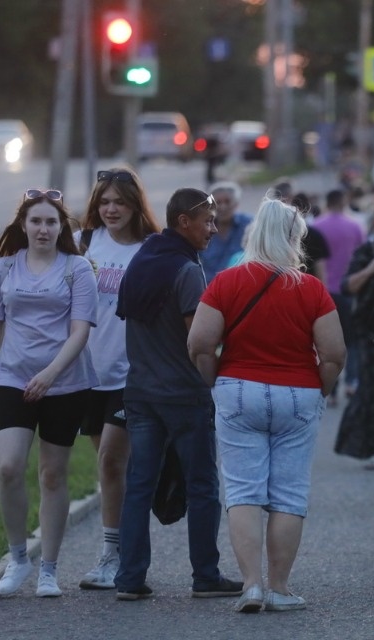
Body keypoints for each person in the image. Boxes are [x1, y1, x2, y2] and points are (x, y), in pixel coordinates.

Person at [188, 197, 346, 613]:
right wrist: (319, 389)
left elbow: (199, 344)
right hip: (297, 392)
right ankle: (280, 587)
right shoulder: (310, 288)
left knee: (242, 492)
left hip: (238, 389)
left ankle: (252, 586)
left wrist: (217, 378)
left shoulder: (225, 282)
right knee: (289, 495)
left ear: (254, 233)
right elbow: (333, 354)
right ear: (295, 239)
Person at [0, 188, 99, 598]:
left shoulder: (78, 269)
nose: (43, 229)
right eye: (36, 221)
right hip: (12, 380)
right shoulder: (5, 269)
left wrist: (51, 374)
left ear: (62, 228)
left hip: (65, 383)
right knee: (8, 468)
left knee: (53, 474)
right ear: (23, 225)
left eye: (51, 222)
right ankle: (18, 558)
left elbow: (80, 332)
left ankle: (49, 569)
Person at [113, 188, 243, 601]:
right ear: (183, 222)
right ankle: (205, 575)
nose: (213, 227)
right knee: (202, 485)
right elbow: (197, 339)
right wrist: (217, 379)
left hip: (140, 392)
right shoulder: (186, 271)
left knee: (139, 486)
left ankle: (129, 578)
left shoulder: (142, 261)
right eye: (207, 220)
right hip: (184, 396)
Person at [75, 167, 161, 590]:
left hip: (132, 373)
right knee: (111, 469)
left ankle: (112, 556)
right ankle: (124, 548)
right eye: (104, 202)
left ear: (134, 205)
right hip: (87, 370)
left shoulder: (151, 249)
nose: (111, 209)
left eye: (119, 202)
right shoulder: (84, 243)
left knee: (112, 458)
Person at [334, 200, 374, 469]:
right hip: (370, 330)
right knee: (373, 388)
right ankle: (369, 447)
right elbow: (347, 285)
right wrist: (371, 269)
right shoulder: (368, 249)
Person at [311, 188, 366, 401]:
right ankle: (351, 381)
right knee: (351, 339)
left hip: (324, 290)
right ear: (343, 202)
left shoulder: (316, 226)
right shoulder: (354, 225)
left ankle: (331, 388)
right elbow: (362, 252)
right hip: (350, 288)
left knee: (326, 340)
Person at [200, 180, 253, 281]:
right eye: (218, 202)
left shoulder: (249, 224)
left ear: (236, 204)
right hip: (208, 289)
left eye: (227, 202)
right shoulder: (202, 228)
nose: (222, 207)